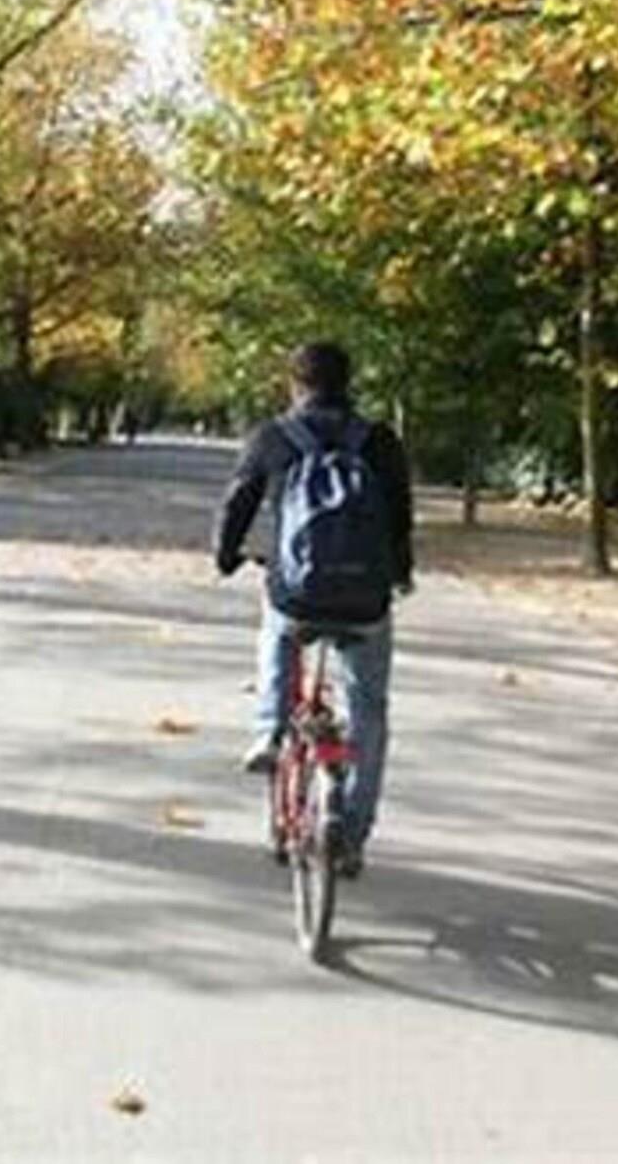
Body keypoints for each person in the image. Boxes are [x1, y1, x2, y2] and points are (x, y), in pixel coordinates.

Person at [213, 341, 414, 878]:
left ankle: (270, 730)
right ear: (349, 384)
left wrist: (227, 556)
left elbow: (238, 502)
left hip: (296, 592)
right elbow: (400, 515)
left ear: (294, 384)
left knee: (277, 628)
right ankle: (352, 834)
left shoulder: (273, 436)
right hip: (365, 599)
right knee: (368, 708)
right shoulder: (379, 441)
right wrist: (399, 572)